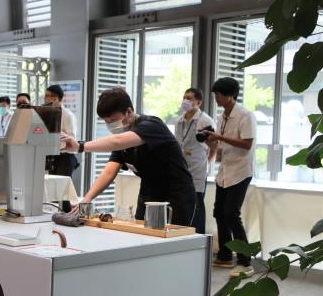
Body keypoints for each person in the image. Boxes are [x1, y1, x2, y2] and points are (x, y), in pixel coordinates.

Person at [62, 87, 196, 227]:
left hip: (176, 193)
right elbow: (109, 172)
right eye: (107, 122)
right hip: (148, 193)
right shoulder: (123, 140)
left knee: (174, 235)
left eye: (114, 120)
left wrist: (80, 146)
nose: (111, 125)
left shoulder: (152, 125)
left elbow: (117, 141)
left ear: (129, 111)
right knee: (142, 234)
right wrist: (87, 199)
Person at [203, 77, 257, 278]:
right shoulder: (222, 117)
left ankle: (245, 262)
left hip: (241, 171)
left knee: (232, 214)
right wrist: (211, 141)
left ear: (231, 94)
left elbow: (247, 144)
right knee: (219, 213)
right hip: (224, 171)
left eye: (219, 94)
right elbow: (222, 145)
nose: (216, 97)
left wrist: (219, 137)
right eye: (215, 94)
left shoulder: (245, 115)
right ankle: (225, 255)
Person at [175, 88, 215, 234]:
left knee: (197, 205)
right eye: (184, 97)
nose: (185, 101)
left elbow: (214, 145)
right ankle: (184, 235)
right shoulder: (179, 121)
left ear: (198, 102)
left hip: (198, 168)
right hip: (182, 168)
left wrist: (208, 162)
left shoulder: (205, 120)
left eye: (189, 98)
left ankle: (199, 237)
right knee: (182, 204)